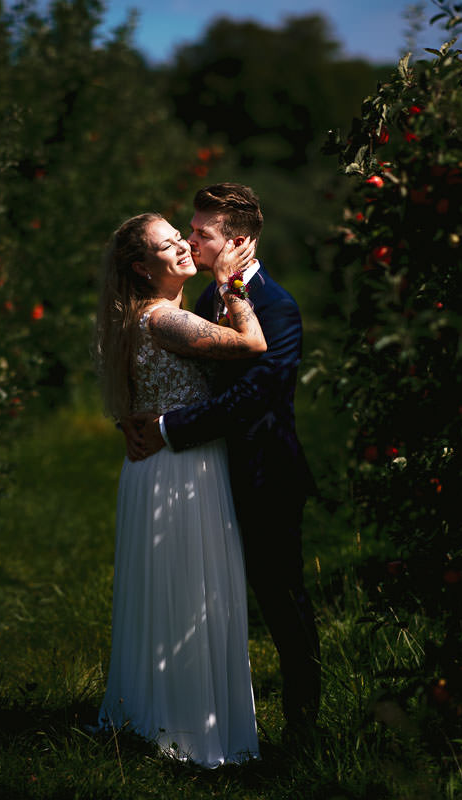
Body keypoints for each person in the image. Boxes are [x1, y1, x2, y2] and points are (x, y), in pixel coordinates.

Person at [125, 183, 321, 744]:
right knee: (202, 599)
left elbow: (254, 394)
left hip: (264, 477)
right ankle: (197, 714)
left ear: (235, 240)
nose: (190, 239)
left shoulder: (277, 307)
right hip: (204, 477)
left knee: (281, 604)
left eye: (201, 233)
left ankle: (304, 730)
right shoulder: (209, 295)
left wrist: (167, 429)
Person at [93, 211, 265, 767]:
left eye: (180, 239)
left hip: (164, 466)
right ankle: (189, 733)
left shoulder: (140, 316)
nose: (184, 249)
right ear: (143, 269)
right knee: (189, 597)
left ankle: (158, 717)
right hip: (179, 471)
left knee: (172, 597)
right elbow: (253, 343)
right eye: (168, 247)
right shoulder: (165, 320)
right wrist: (233, 282)